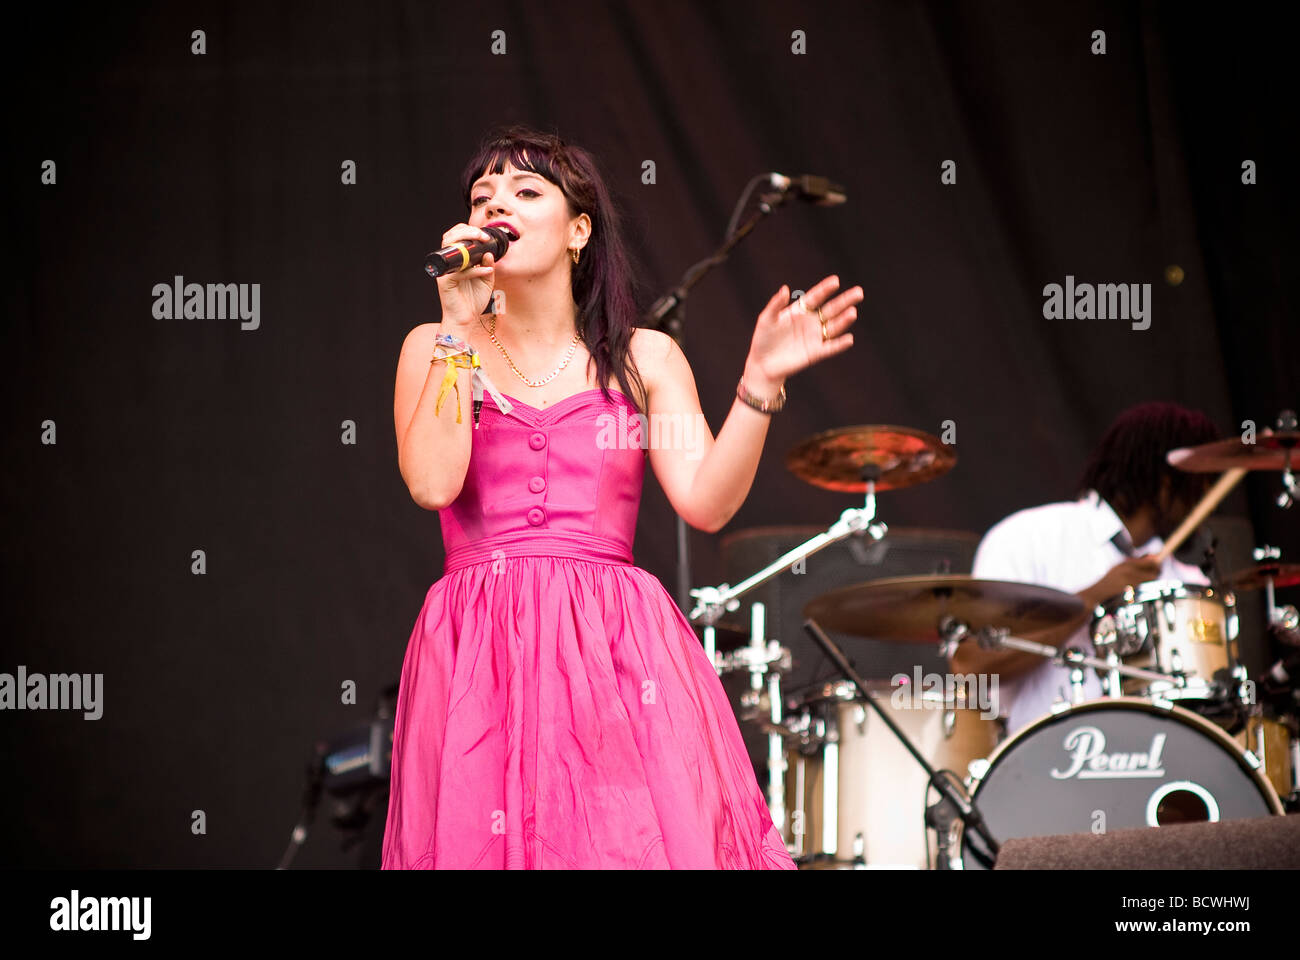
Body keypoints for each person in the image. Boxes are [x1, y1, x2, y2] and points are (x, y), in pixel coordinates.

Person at [382, 124, 862, 868]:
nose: (495, 205)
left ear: (579, 231)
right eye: (482, 197)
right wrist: (457, 324)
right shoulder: (434, 346)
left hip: (612, 650)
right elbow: (433, 482)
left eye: (525, 190)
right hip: (478, 649)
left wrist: (760, 385)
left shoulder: (645, 359)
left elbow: (707, 502)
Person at [951, 402, 1220, 736]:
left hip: (1157, 762)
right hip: (1043, 767)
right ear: (1165, 482)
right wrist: (1092, 598)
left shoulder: (1187, 581)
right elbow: (973, 664)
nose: (1208, 493)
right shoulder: (1027, 538)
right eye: (1201, 478)